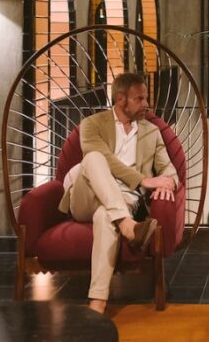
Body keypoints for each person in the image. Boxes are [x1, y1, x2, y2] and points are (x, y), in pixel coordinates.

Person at [58, 72, 179, 314]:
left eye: (146, 98)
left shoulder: (151, 132)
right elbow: (107, 162)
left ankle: (97, 304)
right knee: (93, 158)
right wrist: (145, 180)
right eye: (140, 98)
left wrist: (169, 183)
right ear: (121, 99)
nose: (146, 104)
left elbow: (171, 171)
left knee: (105, 216)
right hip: (86, 197)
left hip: (124, 201)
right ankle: (128, 225)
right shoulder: (92, 124)